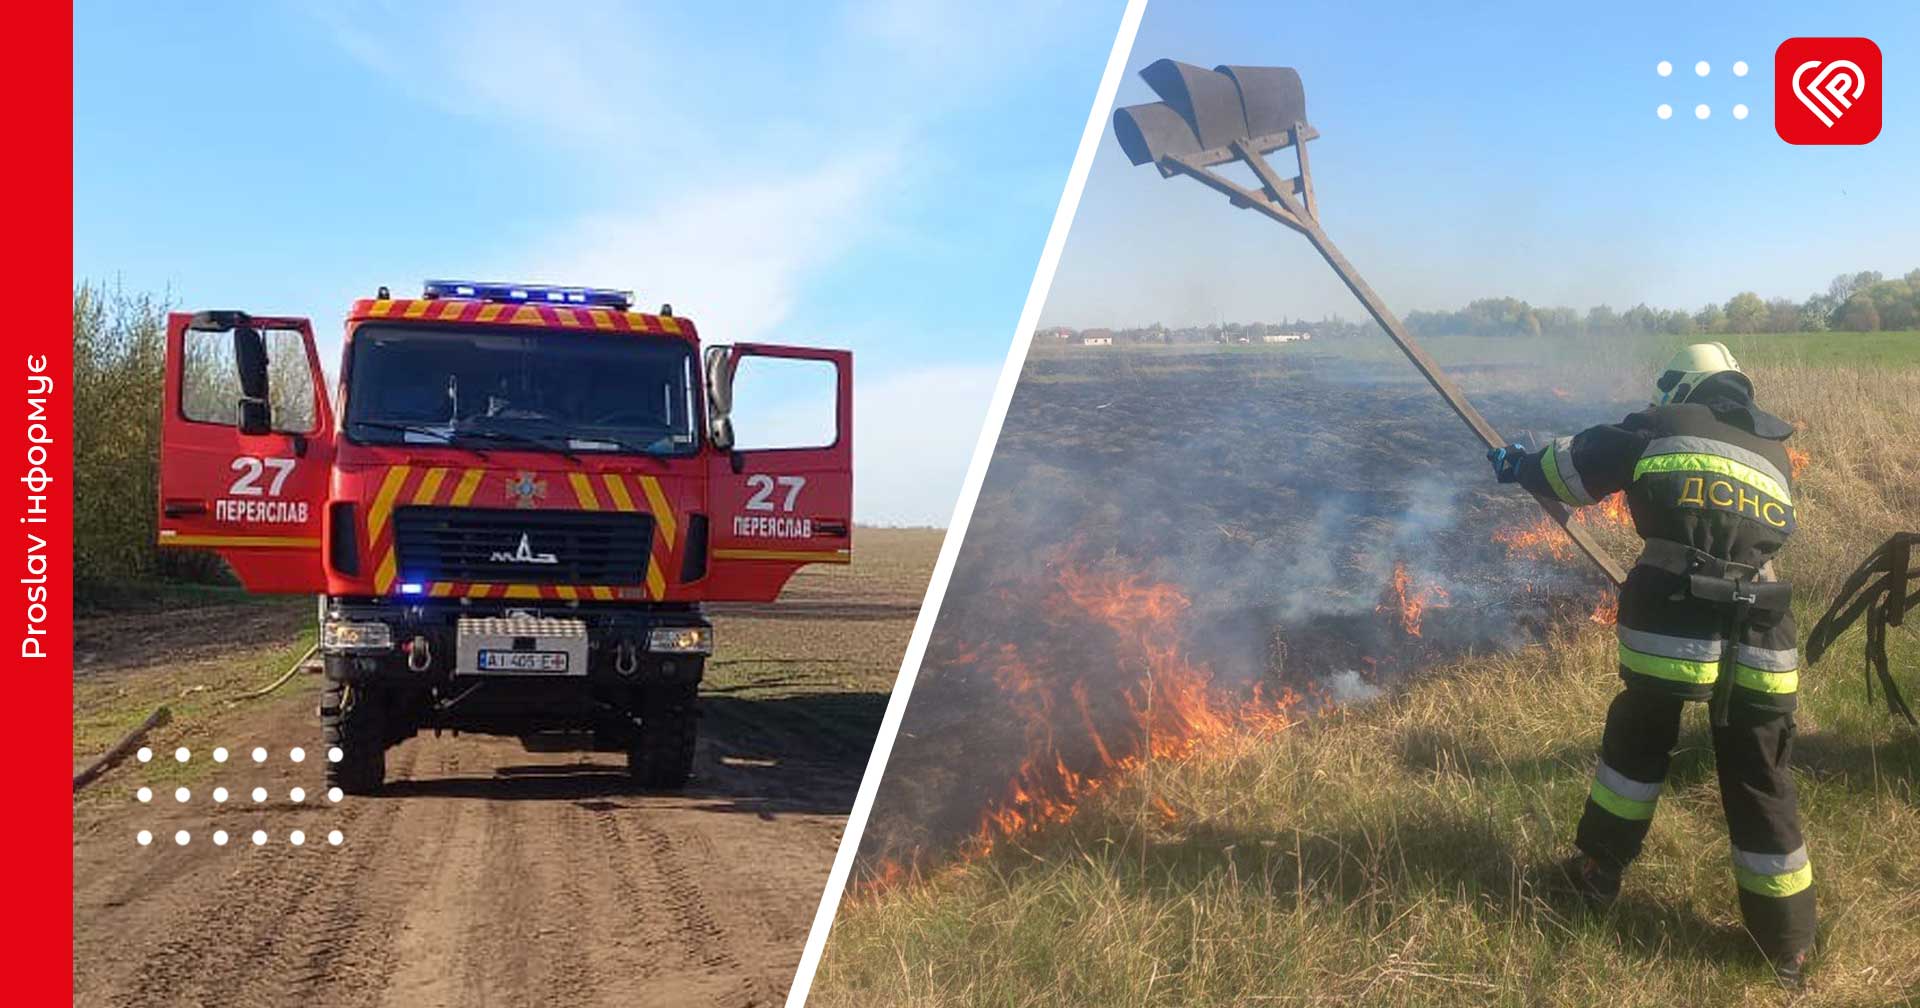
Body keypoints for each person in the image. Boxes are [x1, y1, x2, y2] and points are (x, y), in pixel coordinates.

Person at [1487, 342, 1813, 984]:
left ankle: (1596, 872)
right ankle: (1788, 948)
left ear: (1683, 385)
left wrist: (1519, 464)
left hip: (1677, 626)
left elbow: (1571, 471)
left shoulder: (1659, 427)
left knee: (1636, 750)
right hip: (1766, 631)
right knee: (1761, 777)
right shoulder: (1775, 454)